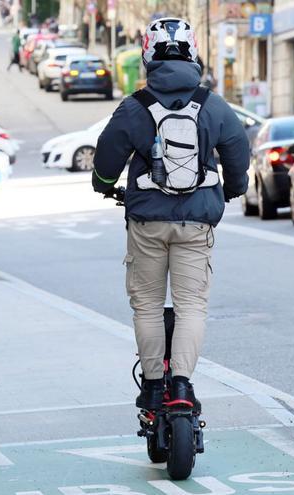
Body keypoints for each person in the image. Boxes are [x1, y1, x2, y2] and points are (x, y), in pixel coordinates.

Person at [91, 18, 250, 411]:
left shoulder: (134, 106)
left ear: (147, 55)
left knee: (146, 304)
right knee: (191, 305)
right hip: (197, 221)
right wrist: (232, 188)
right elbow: (238, 150)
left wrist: (105, 183)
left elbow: (106, 157)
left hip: (147, 220)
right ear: (194, 53)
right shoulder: (213, 105)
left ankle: (152, 384)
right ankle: (181, 386)